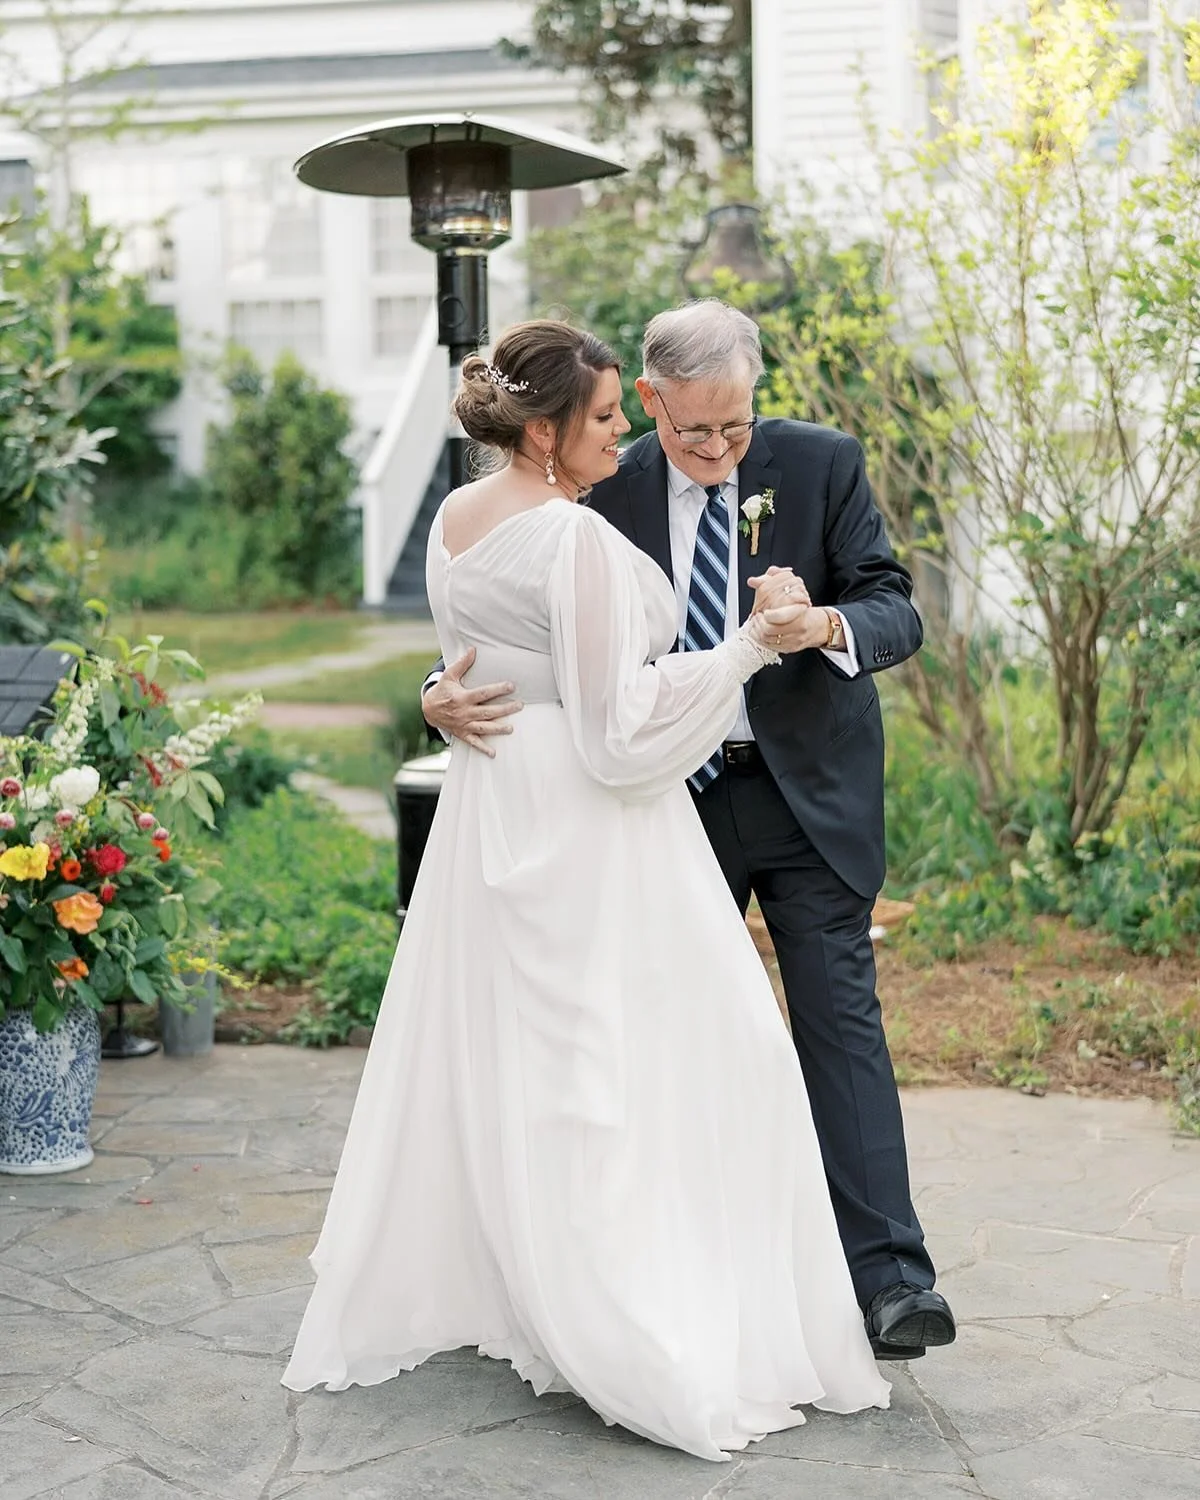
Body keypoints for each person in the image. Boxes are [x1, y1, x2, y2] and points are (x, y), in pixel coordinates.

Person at [282, 319, 892, 1460]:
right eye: (609, 418)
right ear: (548, 432)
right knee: (679, 1062)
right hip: (592, 823)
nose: (624, 436)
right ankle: (630, 1305)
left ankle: (546, 1282)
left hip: (495, 812)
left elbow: (489, 656)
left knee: (538, 1063)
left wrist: (439, 695)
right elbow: (618, 736)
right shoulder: (573, 536)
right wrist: (749, 648)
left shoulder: (453, 520)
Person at [422, 300, 957, 1362]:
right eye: (693, 428)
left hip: (806, 797)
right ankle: (702, 1271)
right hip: (656, 805)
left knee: (839, 1025)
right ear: (651, 401)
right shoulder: (591, 479)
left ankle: (894, 1283)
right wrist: (435, 691)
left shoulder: (821, 464)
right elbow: (504, 620)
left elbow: (895, 604)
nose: (717, 450)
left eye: (736, 426)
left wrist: (825, 625)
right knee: (667, 1040)